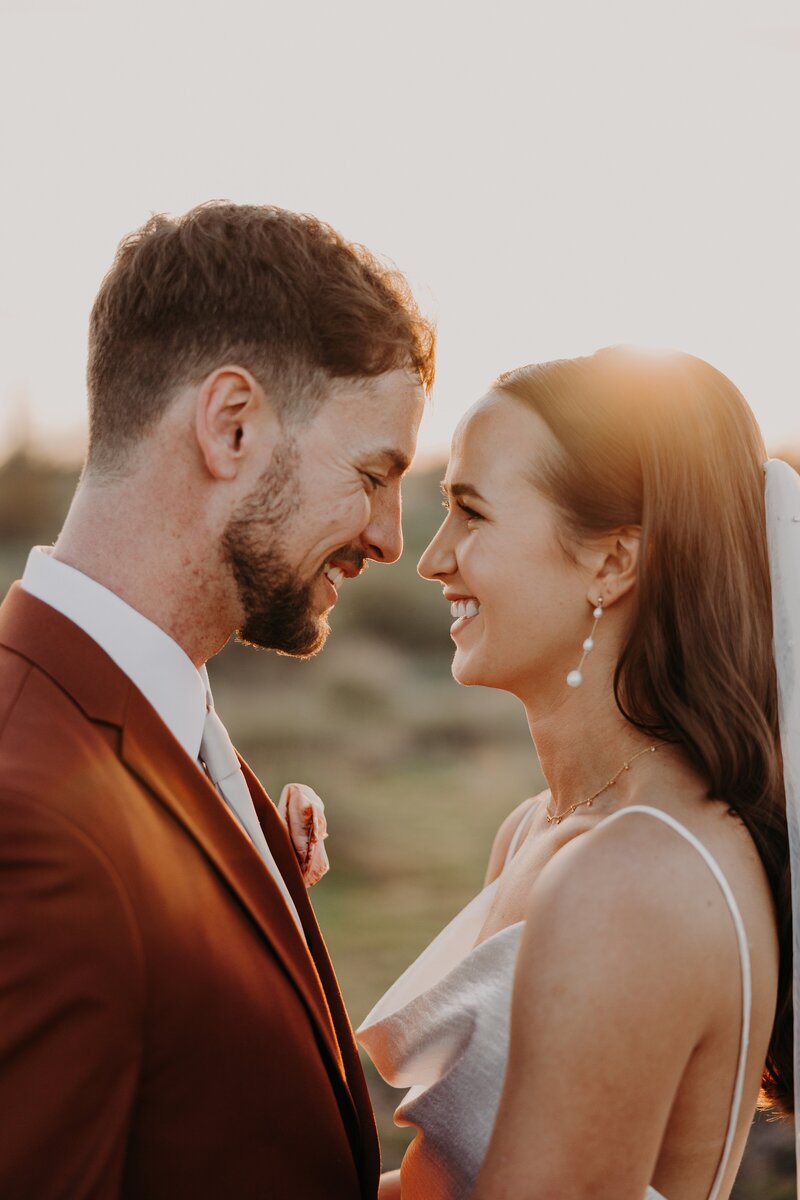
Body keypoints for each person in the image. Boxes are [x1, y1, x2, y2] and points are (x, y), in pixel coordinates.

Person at [0, 201, 434, 1198]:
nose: (385, 539)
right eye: (371, 475)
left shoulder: (162, 721)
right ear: (231, 425)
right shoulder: (27, 814)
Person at [358, 347, 793, 1199]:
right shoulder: (539, 829)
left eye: (471, 513)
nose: (433, 558)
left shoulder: (636, 879)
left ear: (612, 563)